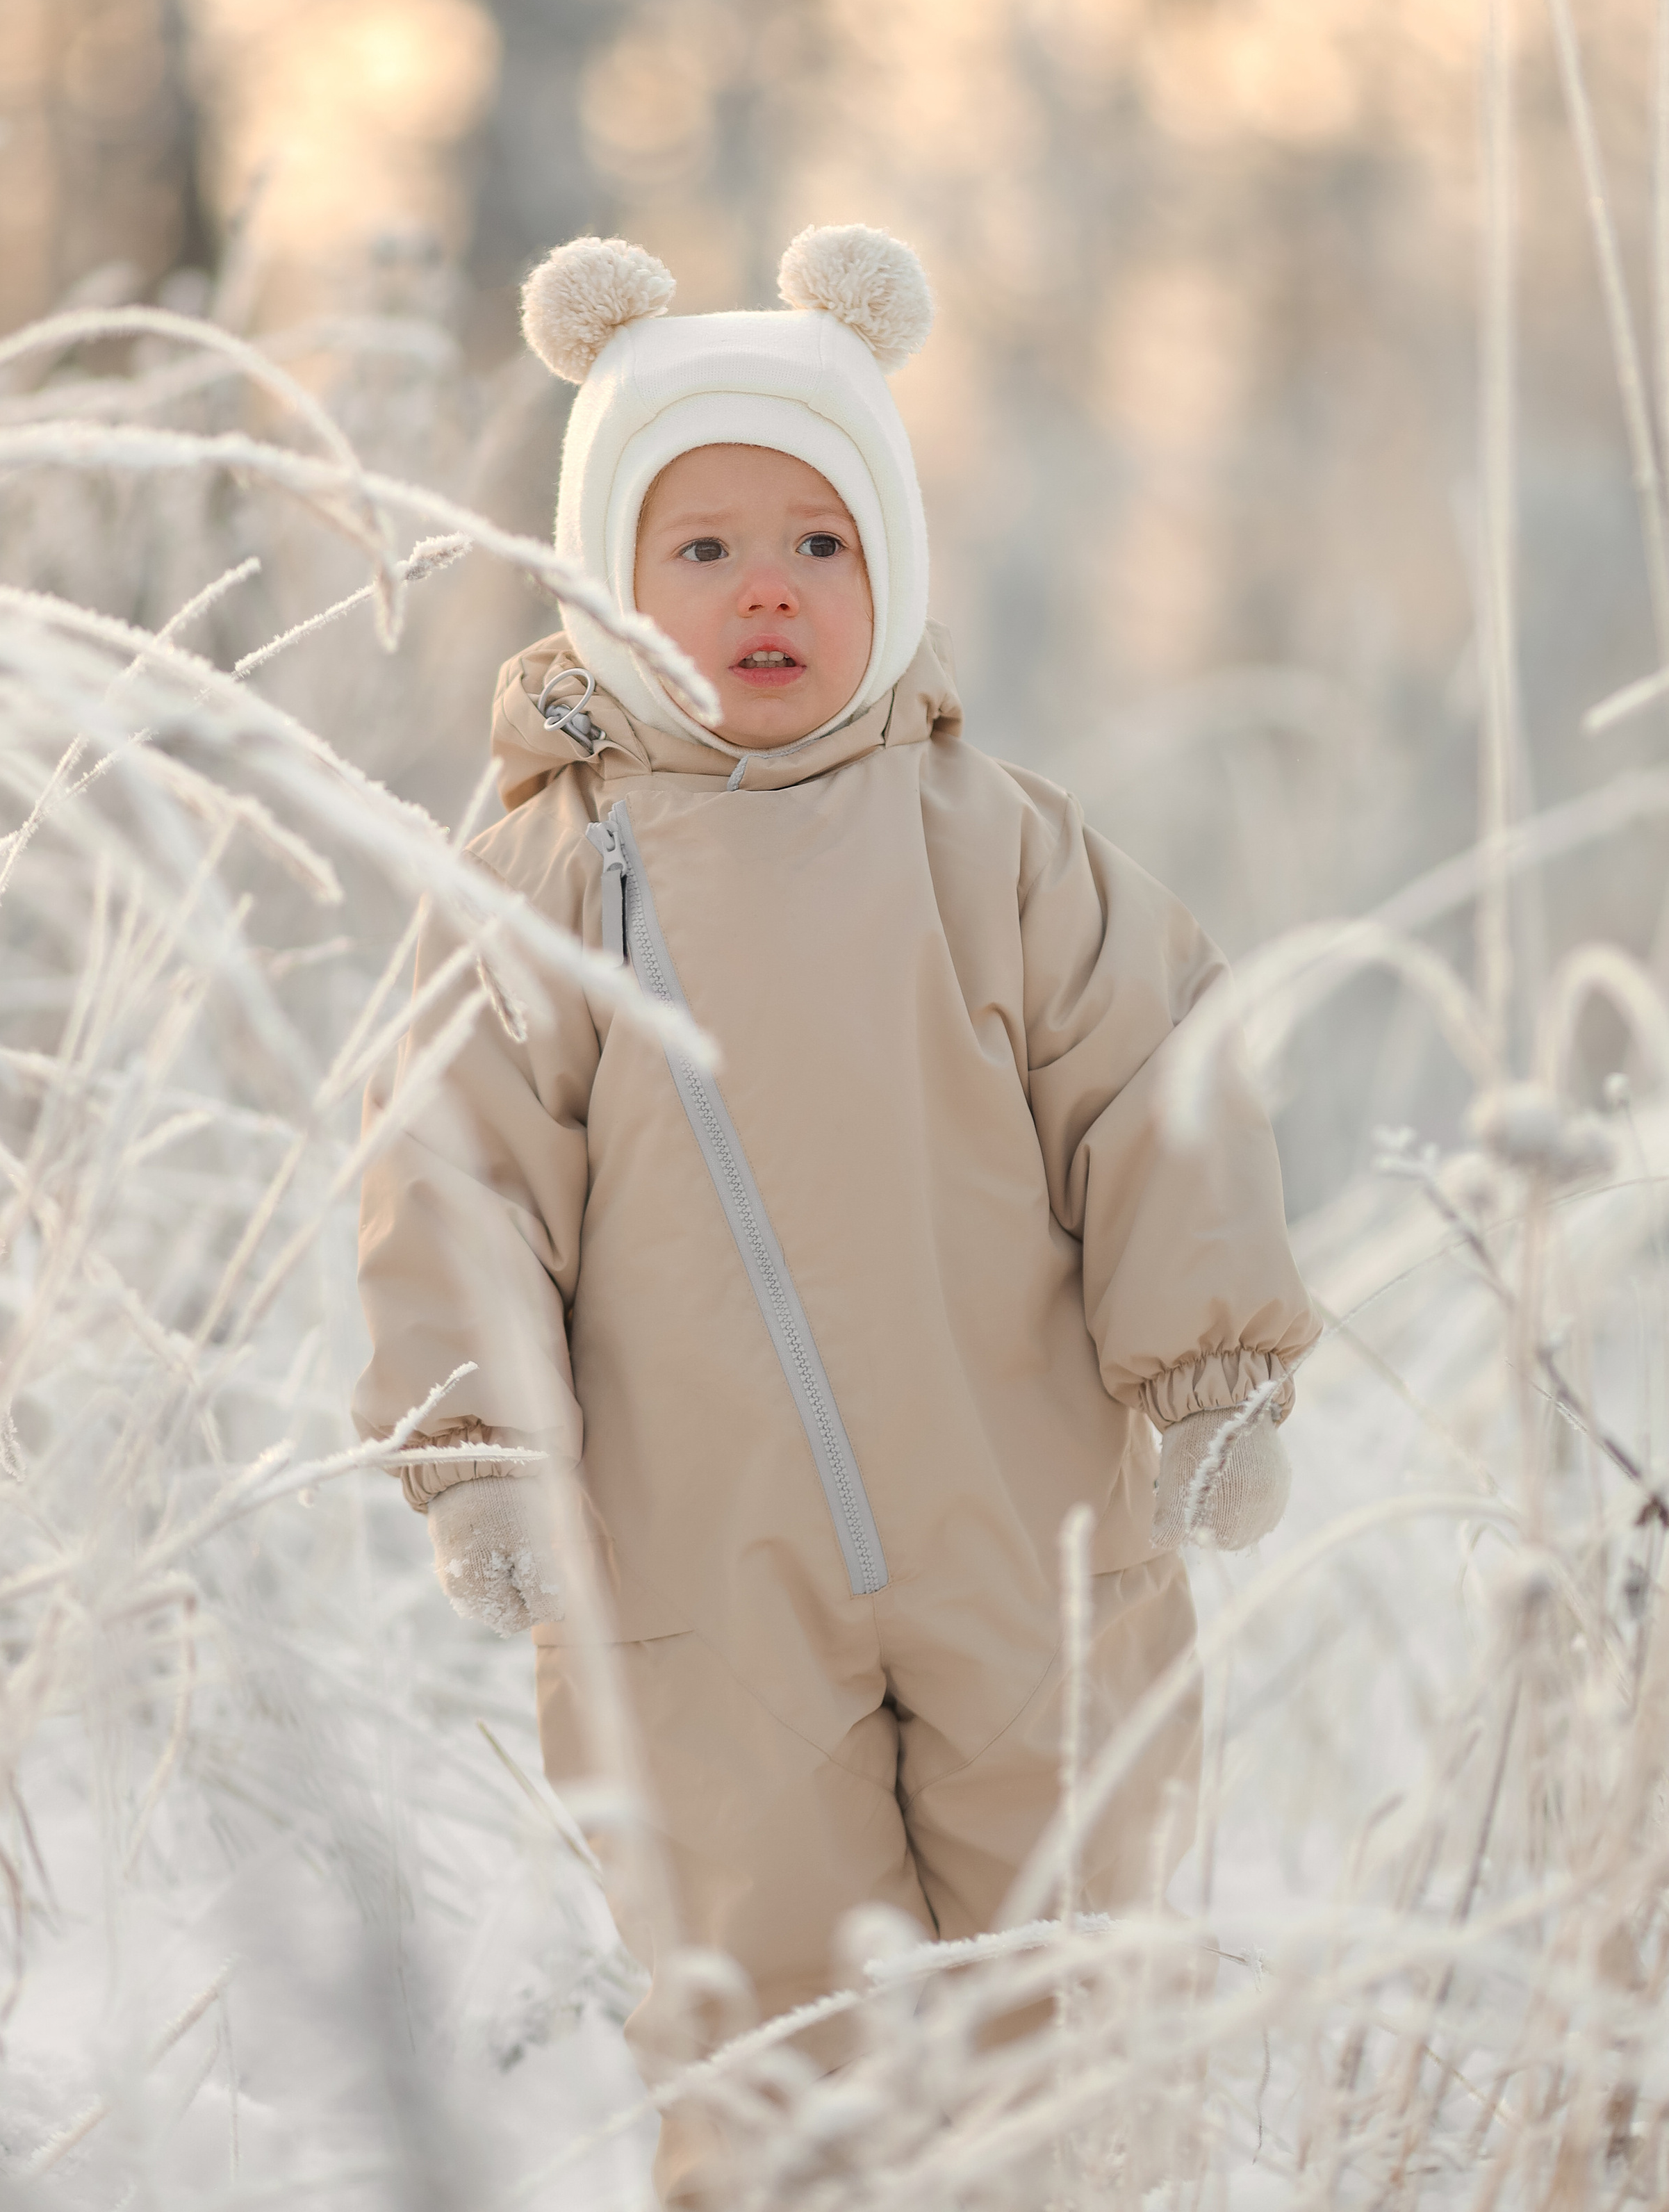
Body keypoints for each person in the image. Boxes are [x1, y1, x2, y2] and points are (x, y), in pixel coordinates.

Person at [351, 224, 1317, 2201]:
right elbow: (451, 1171)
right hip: (700, 1590)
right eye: (698, 549)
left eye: (820, 541)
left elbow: (1163, 1093)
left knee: (1070, 1964)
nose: (764, 590)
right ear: (605, 582)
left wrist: (1210, 1367)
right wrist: (478, 1451)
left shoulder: (1006, 855)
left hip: (1034, 1545)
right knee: (765, 2008)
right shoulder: (547, 875)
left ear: (893, 570)